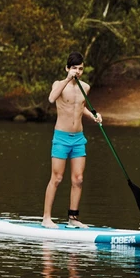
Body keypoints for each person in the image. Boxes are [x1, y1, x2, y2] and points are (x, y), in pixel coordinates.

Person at [42, 51, 101, 229]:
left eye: (80, 68)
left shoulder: (86, 87)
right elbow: (52, 98)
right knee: (57, 178)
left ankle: (73, 219)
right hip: (61, 138)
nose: (77, 71)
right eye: (74, 68)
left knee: (79, 179)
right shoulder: (59, 84)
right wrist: (68, 79)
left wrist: (94, 116)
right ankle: (46, 218)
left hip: (78, 139)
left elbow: (80, 107)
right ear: (67, 68)